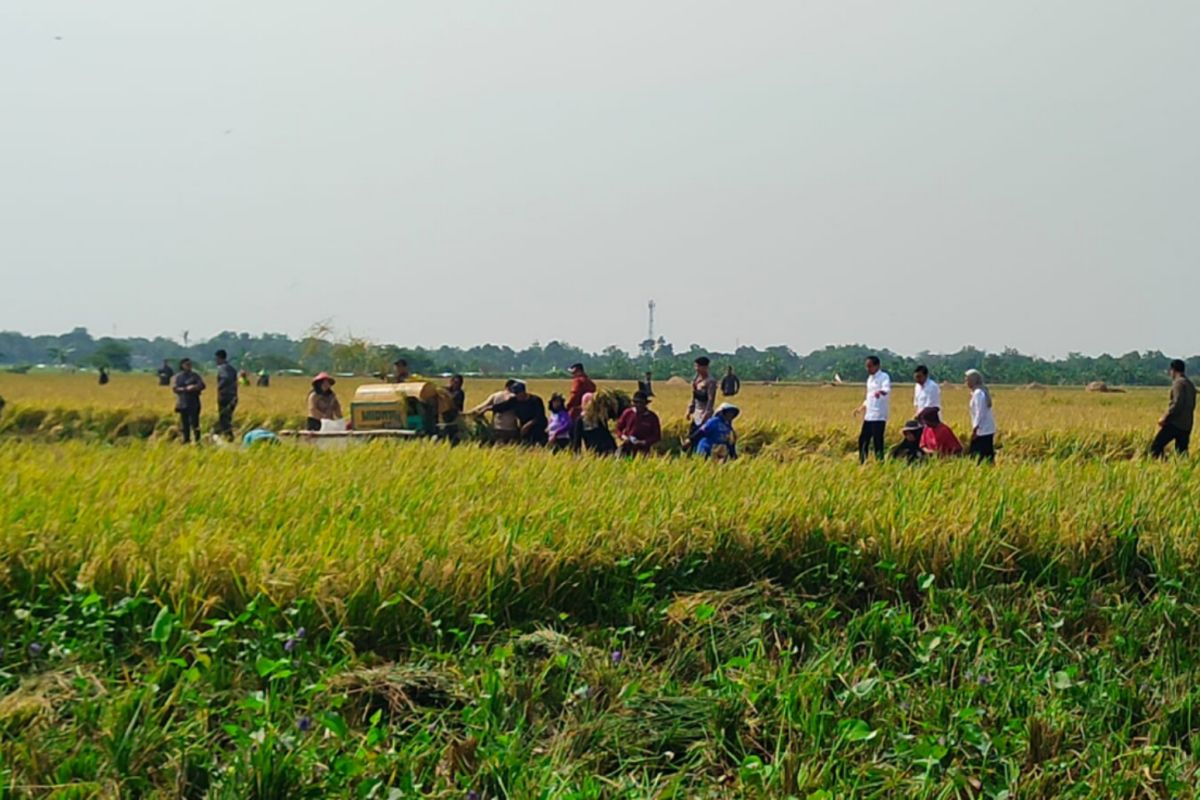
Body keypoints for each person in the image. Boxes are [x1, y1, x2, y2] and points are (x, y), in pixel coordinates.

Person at [1151, 359, 1196, 458]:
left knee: (1156, 447)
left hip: (1175, 423)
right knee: (1182, 453)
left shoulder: (1178, 383)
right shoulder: (1190, 384)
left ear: (1173, 370)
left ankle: (1161, 467)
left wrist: (1165, 418)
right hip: (1187, 424)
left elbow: (1177, 404)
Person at [853, 356, 891, 462]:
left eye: (870, 366)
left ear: (877, 366)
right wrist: (862, 407)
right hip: (869, 415)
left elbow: (886, 389)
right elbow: (869, 396)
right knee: (863, 440)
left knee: (877, 441)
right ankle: (862, 462)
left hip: (879, 415)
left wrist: (880, 392)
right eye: (867, 366)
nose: (868, 369)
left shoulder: (884, 377)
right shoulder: (869, 379)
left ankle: (880, 462)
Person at [495, 382, 548, 446]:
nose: (516, 395)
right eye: (515, 394)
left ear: (523, 392)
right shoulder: (514, 400)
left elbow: (539, 416)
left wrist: (527, 426)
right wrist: (487, 408)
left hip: (537, 428)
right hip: (524, 429)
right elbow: (502, 407)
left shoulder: (535, 400)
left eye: (517, 393)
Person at [468, 380, 520, 444]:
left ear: (506, 386)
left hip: (497, 427)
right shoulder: (517, 397)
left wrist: (469, 412)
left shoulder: (496, 395)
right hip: (511, 428)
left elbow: (482, 405)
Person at [616, 391, 662, 456]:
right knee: (625, 463)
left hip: (643, 451)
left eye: (641, 403)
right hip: (627, 448)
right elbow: (618, 428)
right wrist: (624, 437)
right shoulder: (628, 413)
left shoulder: (652, 417)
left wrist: (643, 442)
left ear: (645, 403)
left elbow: (656, 436)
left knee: (640, 465)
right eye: (636, 402)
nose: (638, 405)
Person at [965, 369, 997, 462]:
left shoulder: (978, 393)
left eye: (967, 380)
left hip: (982, 429)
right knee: (987, 454)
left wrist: (975, 429)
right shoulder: (979, 392)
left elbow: (980, 412)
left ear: (973, 380)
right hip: (986, 429)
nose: (965, 382)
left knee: (977, 455)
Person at [687, 356, 718, 447]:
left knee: (701, 435)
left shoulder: (710, 381)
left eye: (698, 366)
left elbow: (710, 399)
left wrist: (707, 413)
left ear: (705, 367)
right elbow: (693, 397)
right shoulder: (696, 380)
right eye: (695, 366)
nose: (696, 369)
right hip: (696, 412)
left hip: (704, 412)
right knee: (692, 436)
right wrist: (689, 410)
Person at [172, 358, 205, 443]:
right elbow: (175, 388)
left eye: (190, 364)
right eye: (187, 364)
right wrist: (185, 389)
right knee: (184, 424)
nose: (189, 366)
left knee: (195, 423)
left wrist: (195, 387)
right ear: (182, 366)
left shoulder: (195, 375)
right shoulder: (178, 377)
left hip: (194, 402)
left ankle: (198, 440)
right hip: (183, 403)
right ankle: (186, 440)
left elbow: (202, 385)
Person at [214, 349, 238, 440]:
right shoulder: (232, 368)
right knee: (228, 417)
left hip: (225, 396)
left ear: (219, 358)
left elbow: (225, 378)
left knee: (223, 418)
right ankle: (227, 435)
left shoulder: (222, 368)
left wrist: (220, 387)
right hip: (233, 396)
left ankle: (228, 436)